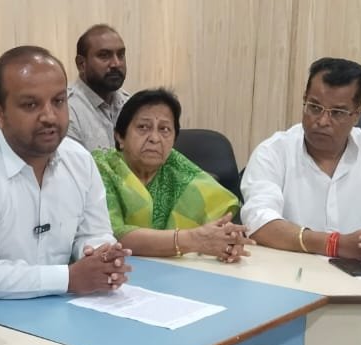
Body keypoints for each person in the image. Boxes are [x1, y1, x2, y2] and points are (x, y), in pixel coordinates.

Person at [0, 45, 132, 300]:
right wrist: (68, 278)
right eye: (31, 105)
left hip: (55, 305)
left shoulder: (79, 160)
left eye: (58, 101)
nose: (49, 116)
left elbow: (92, 232)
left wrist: (101, 256)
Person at [240, 58, 361, 261]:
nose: (322, 121)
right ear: (304, 100)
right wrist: (334, 244)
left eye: (337, 113)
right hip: (288, 267)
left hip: (355, 271)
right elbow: (258, 221)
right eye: (314, 107)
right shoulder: (272, 152)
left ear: (357, 114)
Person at [92, 87, 251, 262]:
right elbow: (112, 235)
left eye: (164, 129)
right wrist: (193, 240)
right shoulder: (101, 168)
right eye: (143, 127)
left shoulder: (179, 169)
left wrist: (230, 239)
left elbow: (224, 215)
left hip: (178, 270)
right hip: (114, 269)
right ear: (120, 137)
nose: (155, 138)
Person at [67, 24, 131, 151]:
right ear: (81, 64)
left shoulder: (131, 104)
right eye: (104, 55)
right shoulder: (67, 110)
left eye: (121, 55)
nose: (116, 63)